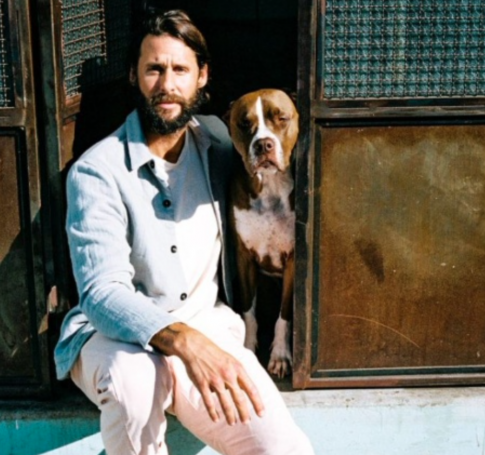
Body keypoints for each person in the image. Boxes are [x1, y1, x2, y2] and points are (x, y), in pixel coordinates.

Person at [54, 9, 314, 455]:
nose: (167, 84)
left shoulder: (219, 142)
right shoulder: (97, 171)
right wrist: (184, 341)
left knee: (282, 448)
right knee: (135, 384)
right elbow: (101, 293)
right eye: (154, 69)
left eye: (180, 70)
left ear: (202, 77)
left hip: (204, 325)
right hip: (113, 339)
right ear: (134, 76)